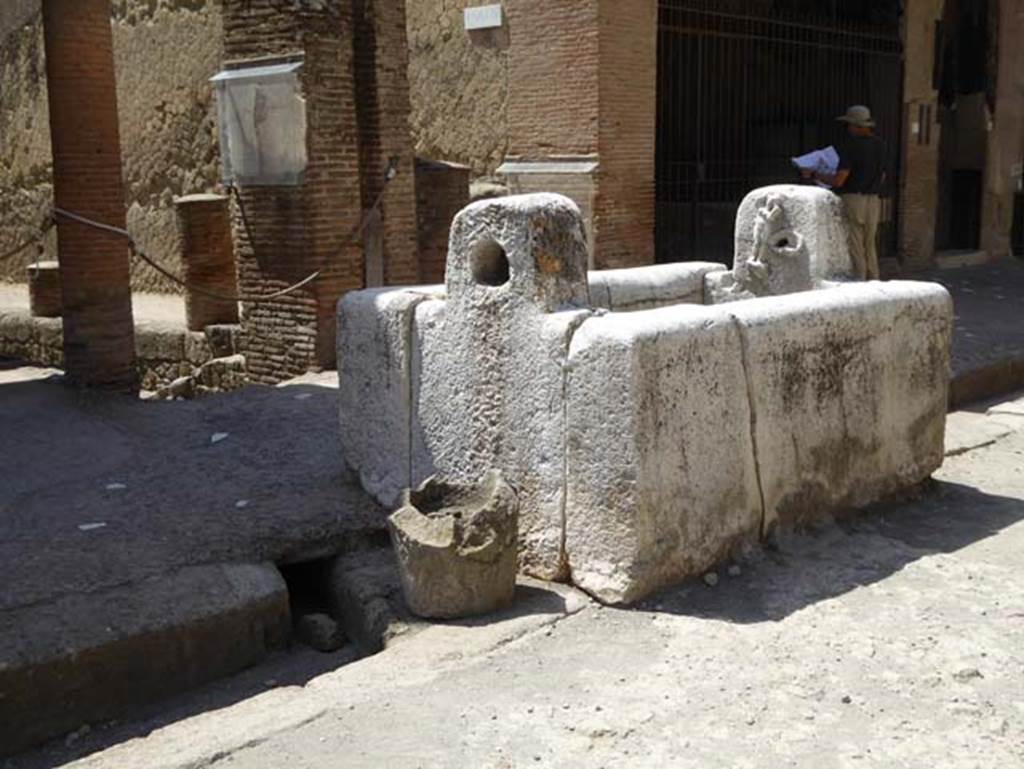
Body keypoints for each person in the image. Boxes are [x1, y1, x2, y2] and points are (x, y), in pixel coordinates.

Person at [804, 105, 887, 280]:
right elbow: (883, 176)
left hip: (853, 198)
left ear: (857, 126)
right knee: (870, 243)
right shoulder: (880, 145)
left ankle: (860, 280)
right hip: (873, 199)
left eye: (850, 125)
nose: (848, 129)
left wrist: (814, 174)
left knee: (855, 243)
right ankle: (874, 279)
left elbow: (840, 179)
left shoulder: (850, 146)